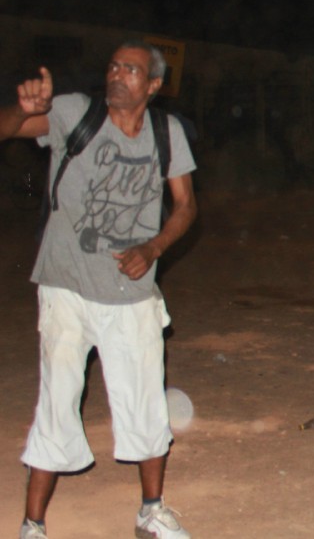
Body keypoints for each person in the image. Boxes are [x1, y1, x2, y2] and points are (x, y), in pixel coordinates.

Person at [0, 41, 198, 539]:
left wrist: (153, 248)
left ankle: (151, 511)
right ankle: (33, 524)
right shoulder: (73, 112)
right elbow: (5, 131)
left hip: (131, 295)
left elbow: (186, 206)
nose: (117, 74)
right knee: (57, 398)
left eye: (131, 70)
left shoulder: (165, 131)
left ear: (153, 85)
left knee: (144, 401)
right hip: (65, 286)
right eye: (113, 65)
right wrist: (20, 111)